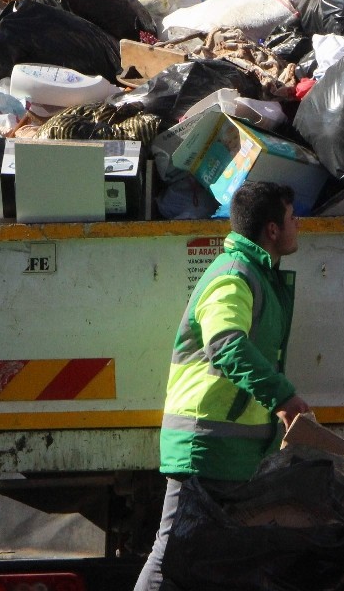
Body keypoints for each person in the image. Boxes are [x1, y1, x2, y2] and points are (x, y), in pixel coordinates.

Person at [134, 181, 311, 591]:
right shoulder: (234, 276)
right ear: (271, 229)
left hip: (229, 449)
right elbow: (225, 344)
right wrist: (282, 397)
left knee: (219, 563)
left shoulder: (256, 274)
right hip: (206, 447)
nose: (298, 224)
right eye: (291, 217)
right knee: (170, 560)